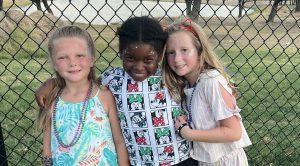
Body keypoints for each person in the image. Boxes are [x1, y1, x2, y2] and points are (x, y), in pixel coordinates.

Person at [36, 17, 197, 166]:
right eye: (130, 58)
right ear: (120, 52)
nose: (139, 67)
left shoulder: (171, 76)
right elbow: (81, 81)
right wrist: (53, 83)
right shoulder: (113, 79)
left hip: (180, 159)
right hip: (139, 162)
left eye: (148, 60)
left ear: (160, 55)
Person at [162, 18, 252, 166]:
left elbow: (233, 132)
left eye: (184, 50)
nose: (177, 59)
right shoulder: (189, 84)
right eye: (171, 52)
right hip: (206, 161)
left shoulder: (211, 81)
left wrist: (188, 133)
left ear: (199, 50)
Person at [37, 25, 128, 166]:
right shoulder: (52, 99)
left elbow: (119, 141)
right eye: (63, 57)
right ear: (54, 64)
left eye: (79, 55)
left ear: (92, 59)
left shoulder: (103, 95)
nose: (72, 63)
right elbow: (47, 149)